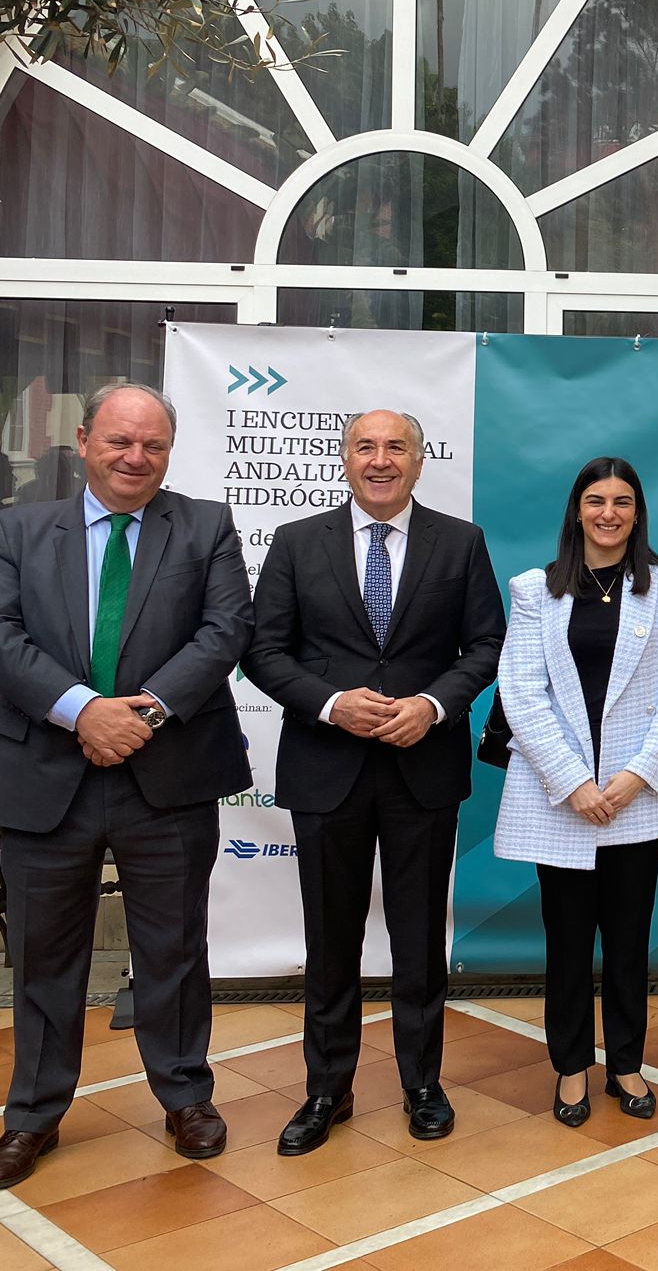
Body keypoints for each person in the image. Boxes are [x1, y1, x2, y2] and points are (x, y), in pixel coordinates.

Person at [0, 383, 253, 1186]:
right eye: (119, 442)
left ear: (170, 451)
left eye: (152, 445)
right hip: (44, 779)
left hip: (167, 775)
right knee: (44, 955)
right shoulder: (17, 527)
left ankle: (185, 1096)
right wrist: (82, 712)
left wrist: (137, 715)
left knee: (174, 947)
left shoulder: (205, 526)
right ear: (84, 441)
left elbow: (225, 631)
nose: (135, 458)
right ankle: (32, 1114)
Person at [244, 410, 504, 1156]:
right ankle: (328, 1088)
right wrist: (331, 703)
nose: (381, 460)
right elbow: (263, 650)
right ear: (345, 459)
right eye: (366, 446)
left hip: (423, 767)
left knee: (419, 939)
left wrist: (431, 705)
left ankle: (423, 1083)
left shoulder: (462, 542)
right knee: (331, 939)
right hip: (327, 770)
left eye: (396, 448)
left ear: (420, 463)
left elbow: (486, 643)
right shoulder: (297, 544)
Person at [494, 458, 658, 1126]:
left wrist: (637, 776)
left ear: (638, 513)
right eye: (595, 500)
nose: (608, 512)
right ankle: (571, 1067)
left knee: (630, 939)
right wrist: (574, 783)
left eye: (622, 501)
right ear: (576, 510)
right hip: (563, 798)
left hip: (638, 795)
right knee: (568, 940)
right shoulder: (534, 589)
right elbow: (522, 693)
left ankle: (627, 1063)